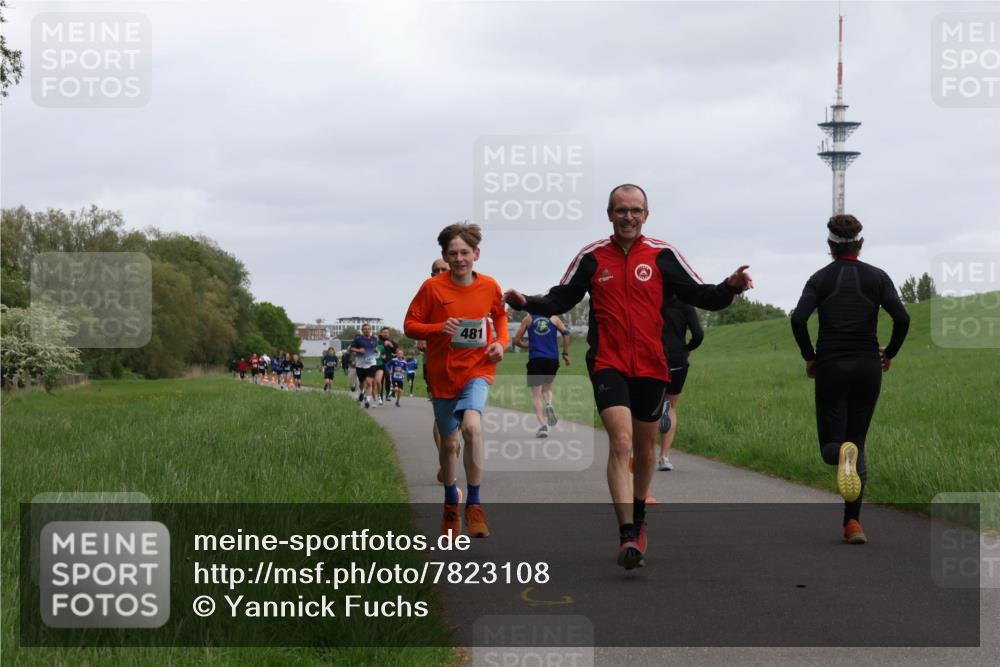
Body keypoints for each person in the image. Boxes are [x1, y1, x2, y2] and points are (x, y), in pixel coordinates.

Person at [504, 184, 752, 570]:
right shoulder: (591, 257)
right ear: (609, 214)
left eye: (636, 210)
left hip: (653, 364)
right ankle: (625, 534)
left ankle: (639, 518)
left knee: (645, 449)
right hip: (608, 362)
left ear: (646, 215)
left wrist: (731, 288)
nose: (629, 217)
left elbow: (702, 295)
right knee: (620, 442)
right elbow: (559, 299)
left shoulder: (663, 254)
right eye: (621, 210)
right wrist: (526, 303)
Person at [790, 214, 909, 545]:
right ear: (860, 242)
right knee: (857, 442)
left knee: (834, 446)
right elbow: (902, 318)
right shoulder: (878, 277)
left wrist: (809, 356)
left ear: (829, 244)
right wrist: (891, 353)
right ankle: (852, 525)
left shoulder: (819, 279)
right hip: (868, 368)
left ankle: (842, 454)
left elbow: (799, 319)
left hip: (831, 367)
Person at [405, 223, 508, 539]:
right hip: (442, 375)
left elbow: (500, 317)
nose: (460, 259)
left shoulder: (489, 286)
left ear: (476, 254)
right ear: (444, 257)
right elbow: (410, 325)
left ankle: (474, 505)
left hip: (477, 370)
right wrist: (438, 327)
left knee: (473, 428)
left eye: (465, 252)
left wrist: (500, 344)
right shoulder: (432, 288)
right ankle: (451, 503)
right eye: (453, 254)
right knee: (449, 444)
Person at [656, 297, 704, 471]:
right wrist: (688, 348)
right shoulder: (686, 304)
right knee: (671, 406)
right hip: (677, 359)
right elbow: (698, 334)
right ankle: (664, 458)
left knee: (648, 406)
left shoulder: (653, 299)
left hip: (654, 359)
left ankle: (639, 454)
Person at [511, 313, 572, 438]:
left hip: (536, 359)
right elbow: (566, 334)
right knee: (547, 389)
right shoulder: (554, 318)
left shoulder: (528, 318)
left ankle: (542, 425)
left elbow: (516, 340)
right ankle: (549, 404)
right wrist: (565, 353)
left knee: (536, 395)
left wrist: (525, 346)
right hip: (552, 360)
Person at [350, 324, 380, 408]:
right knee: (362, 383)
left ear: (370, 330)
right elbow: (351, 348)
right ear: (362, 330)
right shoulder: (358, 339)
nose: (367, 330)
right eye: (365, 329)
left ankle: (367, 400)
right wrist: (358, 350)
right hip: (360, 364)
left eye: (368, 329)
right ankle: (362, 392)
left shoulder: (374, 339)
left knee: (369, 382)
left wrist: (376, 350)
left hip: (371, 364)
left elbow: (375, 348)